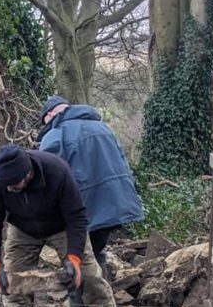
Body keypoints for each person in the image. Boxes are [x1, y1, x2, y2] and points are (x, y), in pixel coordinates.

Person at [0, 144, 120, 307]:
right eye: (6, 185)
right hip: (22, 229)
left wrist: (73, 257)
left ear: (28, 174)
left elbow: (76, 217)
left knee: (89, 275)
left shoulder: (57, 170)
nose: (9, 189)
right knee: (11, 280)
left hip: (61, 225)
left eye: (14, 185)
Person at [38, 95, 144, 279]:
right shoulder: (102, 127)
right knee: (96, 249)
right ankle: (104, 297)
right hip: (115, 200)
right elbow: (122, 162)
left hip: (83, 204)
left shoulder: (56, 133)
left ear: (51, 114)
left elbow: (45, 175)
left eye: (45, 120)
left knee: (77, 256)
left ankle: (80, 304)